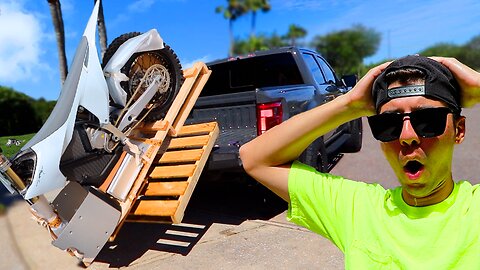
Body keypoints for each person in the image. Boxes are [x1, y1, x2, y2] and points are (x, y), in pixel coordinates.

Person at [239, 55, 480, 268]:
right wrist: (349, 103)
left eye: (428, 120)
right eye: (388, 124)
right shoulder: (358, 210)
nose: (407, 137)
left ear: (458, 130)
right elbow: (255, 159)